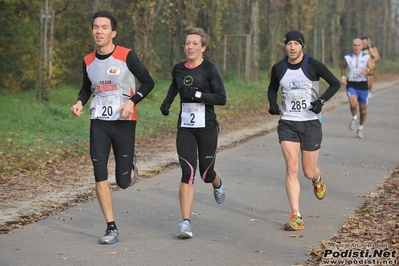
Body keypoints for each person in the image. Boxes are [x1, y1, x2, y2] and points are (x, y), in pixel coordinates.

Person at [70, 10, 154, 244]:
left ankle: (130, 164)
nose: (99, 31)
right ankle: (111, 227)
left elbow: (149, 82)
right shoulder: (88, 60)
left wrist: (132, 101)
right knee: (99, 174)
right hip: (99, 121)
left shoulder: (127, 56)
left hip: (124, 121)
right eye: (96, 27)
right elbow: (86, 87)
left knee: (123, 182)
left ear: (113, 33)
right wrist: (79, 102)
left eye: (104, 27)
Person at [267, 30, 340, 231]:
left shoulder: (312, 64)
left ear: (302, 46)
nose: (292, 47)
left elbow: (335, 83)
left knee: (308, 172)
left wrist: (321, 101)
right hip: (288, 122)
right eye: (289, 44)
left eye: (296, 44)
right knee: (291, 167)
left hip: (310, 122)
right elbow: (272, 88)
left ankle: (317, 178)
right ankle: (296, 216)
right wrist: (273, 103)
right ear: (285, 46)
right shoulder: (278, 68)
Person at [160, 26, 227, 239]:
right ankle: (185, 223)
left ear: (203, 48)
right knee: (187, 172)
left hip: (207, 127)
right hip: (186, 128)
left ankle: (217, 182)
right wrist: (167, 102)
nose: (190, 47)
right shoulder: (178, 69)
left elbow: (221, 98)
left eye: (195, 44)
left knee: (206, 175)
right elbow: (174, 86)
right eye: (187, 43)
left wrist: (200, 95)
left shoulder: (210, 69)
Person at [342, 38, 374, 139]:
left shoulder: (367, 57)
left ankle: (360, 128)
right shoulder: (348, 57)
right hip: (352, 84)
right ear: (352, 46)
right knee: (353, 103)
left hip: (363, 86)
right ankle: (354, 117)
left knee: (363, 110)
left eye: (358, 45)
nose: (356, 47)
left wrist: (367, 72)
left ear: (362, 46)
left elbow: (372, 71)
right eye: (354, 45)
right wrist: (343, 77)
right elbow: (343, 67)